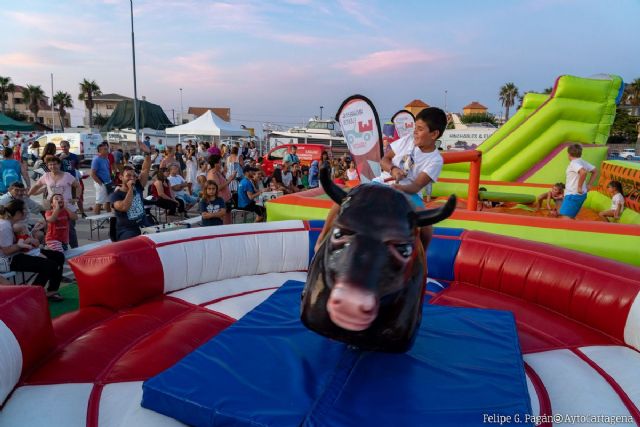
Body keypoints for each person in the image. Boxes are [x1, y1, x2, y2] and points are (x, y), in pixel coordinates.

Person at [316, 107, 446, 253]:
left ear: (434, 134)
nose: (415, 132)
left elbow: (416, 186)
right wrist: (393, 169)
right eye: (415, 127)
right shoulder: (407, 141)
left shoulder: (435, 160)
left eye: (420, 129)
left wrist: (400, 189)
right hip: (381, 183)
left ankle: (422, 261)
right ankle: (322, 237)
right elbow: (385, 159)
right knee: (345, 199)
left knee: (427, 228)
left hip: (409, 194)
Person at [0, 199, 65, 301]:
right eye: (25, 209)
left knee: (58, 256)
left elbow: (22, 240)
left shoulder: (12, 222)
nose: (27, 211)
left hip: (19, 253)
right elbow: (7, 251)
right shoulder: (4, 226)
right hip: (9, 260)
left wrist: (34, 231)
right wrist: (25, 243)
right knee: (49, 265)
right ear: (18, 213)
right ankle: (31, 295)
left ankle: (52, 290)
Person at [29, 156, 80, 248]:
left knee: (70, 230)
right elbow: (36, 186)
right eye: (50, 165)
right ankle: (57, 248)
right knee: (53, 229)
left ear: (59, 164)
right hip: (52, 208)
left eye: (55, 164)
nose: (53, 166)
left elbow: (78, 186)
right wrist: (27, 195)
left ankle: (76, 250)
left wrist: (76, 197)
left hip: (67, 207)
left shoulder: (67, 175)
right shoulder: (46, 176)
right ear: (47, 166)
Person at [111, 142, 153, 241]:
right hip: (127, 231)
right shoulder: (116, 195)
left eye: (134, 176)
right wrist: (130, 189)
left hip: (144, 226)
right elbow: (124, 207)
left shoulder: (138, 185)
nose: (132, 178)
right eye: (128, 176)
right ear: (121, 177)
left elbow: (145, 169)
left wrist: (147, 154)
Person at [559, 144, 597, 219]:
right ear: (580, 153)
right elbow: (595, 171)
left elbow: (583, 172)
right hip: (579, 195)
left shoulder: (574, 163)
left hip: (573, 194)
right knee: (571, 216)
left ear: (568, 154)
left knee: (565, 218)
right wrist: (589, 185)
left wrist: (579, 187)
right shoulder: (582, 162)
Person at [207, 155, 235, 224]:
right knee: (224, 222)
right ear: (215, 164)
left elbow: (223, 184)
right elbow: (217, 188)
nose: (221, 164)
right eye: (220, 162)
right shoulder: (212, 174)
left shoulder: (217, 172)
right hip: (221, 201)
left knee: (228, 221)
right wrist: (229, 180)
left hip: (225, 200)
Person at [91, 142, 114, 214]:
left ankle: (109, 217)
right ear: (100, 151)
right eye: (105, 149)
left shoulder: (106, 159)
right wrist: (100, 184)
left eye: (107, 149)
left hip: (108, 183)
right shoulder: (96, 160)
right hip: (101, 183)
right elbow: (92, 174)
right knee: (99, 202)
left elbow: (107, 171)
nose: (107, 151)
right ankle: (96, 222)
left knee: (108, 201)